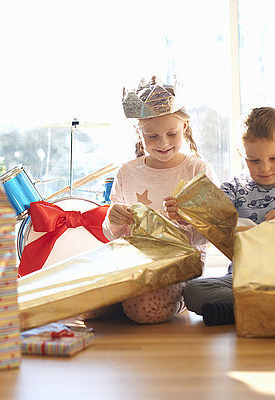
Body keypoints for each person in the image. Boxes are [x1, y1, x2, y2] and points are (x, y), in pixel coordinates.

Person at [180, 106, 275, 326]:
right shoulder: (233, 187)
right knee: (194, 291)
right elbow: (211, 217)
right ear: (240, 154)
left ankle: (245, 309)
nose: (265, 168)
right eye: (254, 160)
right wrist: (185, 212)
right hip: (243, 277)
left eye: (274, 158)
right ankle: (270, 308)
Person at [99, 76, 218, 324]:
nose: (163, 143)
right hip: (133, 263)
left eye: (171, 133)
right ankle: (125, 299)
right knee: (81, 303)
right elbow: (114, 236)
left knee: (143, 308)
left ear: (184, 127)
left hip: (180, 265)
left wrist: (189, 218)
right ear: (138, 133)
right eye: (152, 137)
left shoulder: (198, 170)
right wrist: (113, 219)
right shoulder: (126, 172)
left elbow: (214, 232)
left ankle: (152, 300)